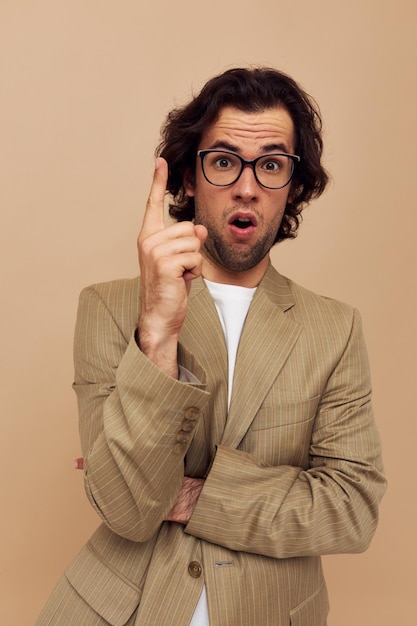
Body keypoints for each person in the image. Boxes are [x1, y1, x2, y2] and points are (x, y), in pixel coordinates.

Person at [36, 67, 386, 626]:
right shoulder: (107, 308)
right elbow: (127, 508)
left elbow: (351, 510)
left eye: (271, 165)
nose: (247, 186)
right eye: (224, 161)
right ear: (190, 178)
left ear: (293, 187)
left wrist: (197, 496)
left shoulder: (335, 329)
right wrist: (157, 332)